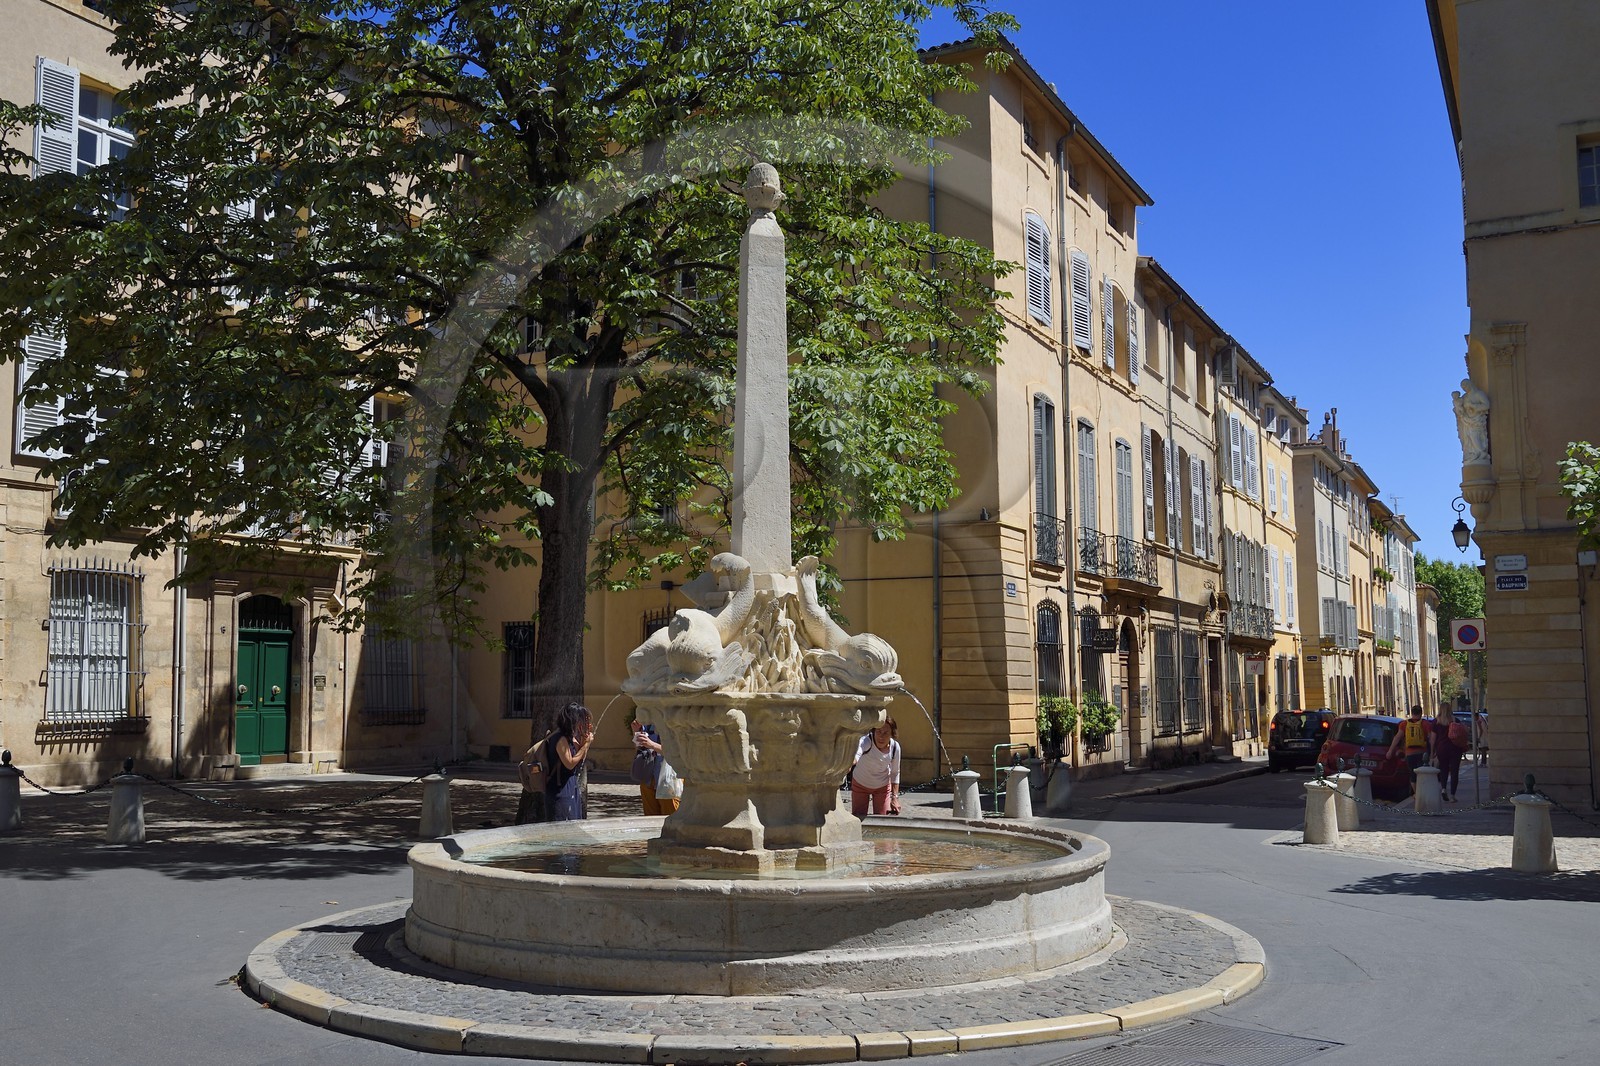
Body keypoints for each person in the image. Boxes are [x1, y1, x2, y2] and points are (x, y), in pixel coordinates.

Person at [547, 702, 593, 821]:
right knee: (562, 824)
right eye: (582, 720)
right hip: (560, 789)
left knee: (574, 821)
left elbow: (580, 758)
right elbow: (570, 763)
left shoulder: (570, 738)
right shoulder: (560, 738)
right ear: (573, 720)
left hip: (571, 786)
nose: (584, 723)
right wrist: (586, 744)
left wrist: (584, 740)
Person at [850, 717, 901, 816]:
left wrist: (895, 797)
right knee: (858, 818)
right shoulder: (866, 741)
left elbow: (895, 773)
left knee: (882, 820)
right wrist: (849, 763)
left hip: (882, 787)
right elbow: (857, 754)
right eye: (878, 731)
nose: (881, 736)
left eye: (886, 733)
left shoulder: (895, 747)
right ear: (873, 731)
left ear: (892, 734)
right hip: (861, 783)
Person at [632, 718, 680, 816]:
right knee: (650, 818)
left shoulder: (675, 723)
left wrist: (652, 745)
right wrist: (636, 731)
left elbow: (677, 752)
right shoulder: (648, 723)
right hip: (648, 777)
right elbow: (640, 748)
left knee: (670, 817)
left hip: (668, 779)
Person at [1386, 705, 1433, 796]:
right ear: (1421, 713)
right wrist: (1433, 752)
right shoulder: (1425, 724)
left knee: (1412, 774)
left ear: (1412, 713)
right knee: (1422, 774)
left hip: (1409, 753)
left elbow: (1397, 738)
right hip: (1422, 753)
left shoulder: (1404, 724)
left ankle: (1417, 793)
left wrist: (1390, 751)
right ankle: (1422, 792)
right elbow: (1431, 738)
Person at [1430, 708, 1464, 802]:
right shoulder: (1455, 720)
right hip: (1455, 748)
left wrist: (1432, 752)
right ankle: (1453, 795)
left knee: (1443, 769)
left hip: (1441, 749)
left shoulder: (1436, 722)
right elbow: (1461, 734)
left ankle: (1444, 789)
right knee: (1454, 771)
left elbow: (1433, 739)